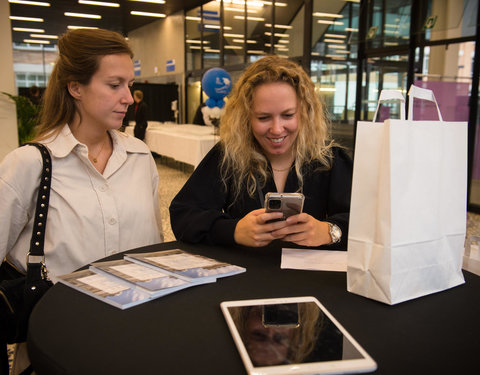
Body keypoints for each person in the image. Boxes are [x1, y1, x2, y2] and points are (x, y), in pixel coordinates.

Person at [0, 28, 163, 374]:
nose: (129, 98)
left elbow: (153, 248)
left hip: (137, 336)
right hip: (58, 345)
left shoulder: (140, 156)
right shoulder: (30, 163)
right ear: (75, 87)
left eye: (129, 84)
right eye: (114, 84)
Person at [169, 55, 352, 249]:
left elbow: (366, 224)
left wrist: (329, 231)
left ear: (305, 112)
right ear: (246, 117)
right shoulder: (228, 155)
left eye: (288, 115)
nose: (276, 129)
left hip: (313, 277)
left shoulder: (330, 159)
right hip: (245, 276)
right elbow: (183, 214)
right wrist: (233, 230)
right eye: (263, 117)